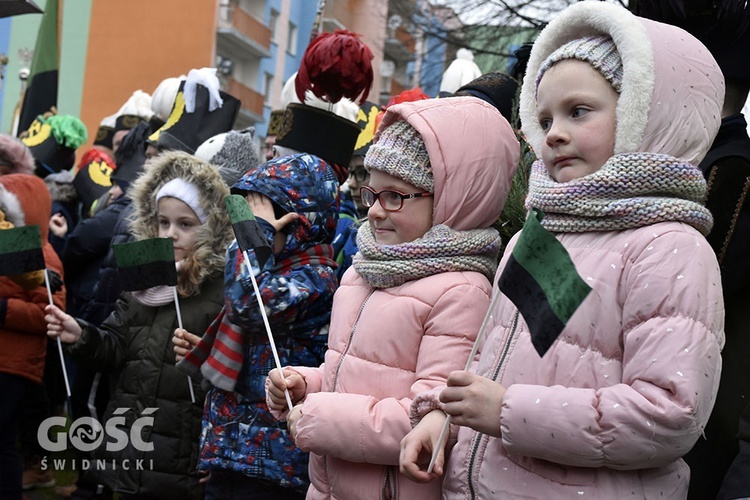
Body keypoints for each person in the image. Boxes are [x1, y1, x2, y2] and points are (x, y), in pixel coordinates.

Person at [399, 3, 725, 498]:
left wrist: (506, 411)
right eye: (545, 115)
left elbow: (669, 415)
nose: (552, 132)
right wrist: (444, 417)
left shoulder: (670, 248)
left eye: (578, 111)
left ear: (645, 112)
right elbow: (494, 355)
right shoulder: (539, 233)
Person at [266, 96, 519, 499]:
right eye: (372, 193)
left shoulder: (460, 290)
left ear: (452, 200)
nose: (376, 212)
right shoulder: (362, 272)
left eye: (396, 196)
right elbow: (351, 375)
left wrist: (321, 416)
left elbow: (435, 419)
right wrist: (306, 385)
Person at [45, 151, 233, 500]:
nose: (171, 234)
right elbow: (116, 347)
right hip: (130, 445)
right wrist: (81, 334)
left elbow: (234, 377)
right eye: (163, 222)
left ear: (210, 228)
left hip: (182, 456)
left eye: (185, 224)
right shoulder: (144, 282)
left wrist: (205, 361)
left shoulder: (221, 290)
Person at [175, 153, 340, 499]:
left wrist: (253, 235)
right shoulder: (270, 273)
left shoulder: (316, 277)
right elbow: (253, 332)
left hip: (275, 465)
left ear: (297, 226)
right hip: (236, 451)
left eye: (257, 222)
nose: (245, 231)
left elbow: (248, 305)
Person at [0, 174, 65, 499]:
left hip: (15, 366)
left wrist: (4, 310)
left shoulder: (44, 258)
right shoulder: (9, 248)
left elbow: (48, 315)